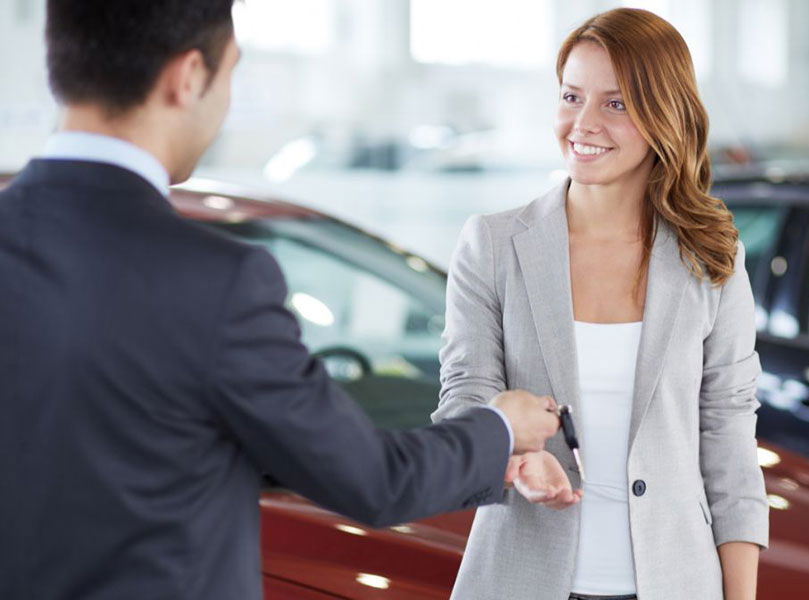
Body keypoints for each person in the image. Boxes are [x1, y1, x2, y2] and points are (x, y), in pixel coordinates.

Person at [0, 2, 562, 599]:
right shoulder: (214, 279)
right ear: (188, 76)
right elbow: (373, 480)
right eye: (231, 73)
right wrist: (501, 427)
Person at [433, 8, 769, 600]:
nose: (581, 123)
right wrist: (510, 457)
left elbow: (729, 440)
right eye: (571, 95)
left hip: (676, 582)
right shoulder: (492, 244)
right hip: (519, 578)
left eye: (615, 103)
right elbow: (464, 399)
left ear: (665, 115)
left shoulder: (711, 256)